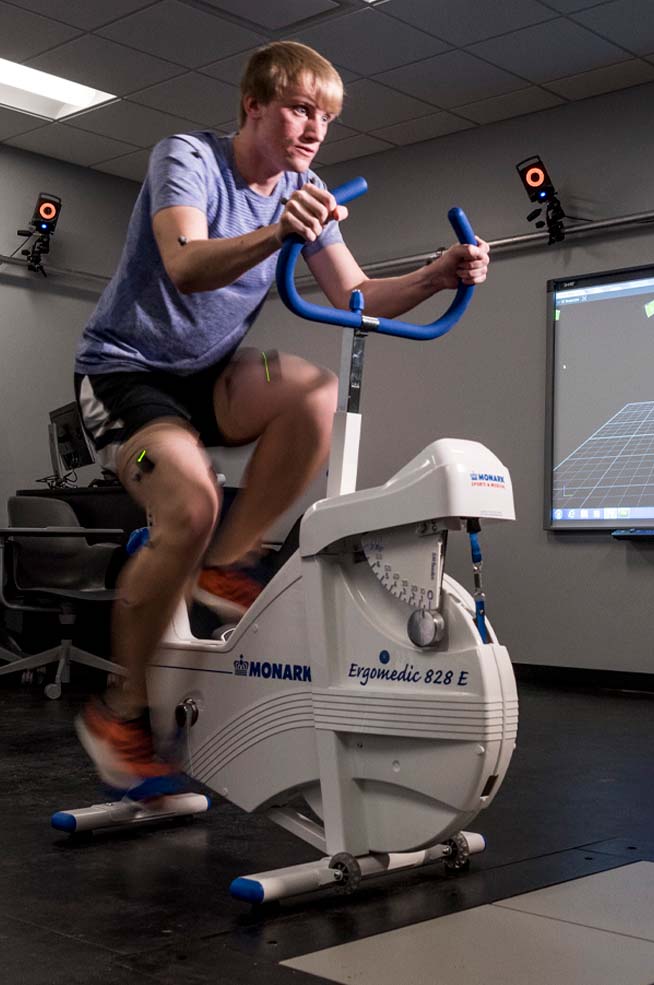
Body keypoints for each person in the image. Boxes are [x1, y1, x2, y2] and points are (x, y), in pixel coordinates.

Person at [72, 41, 490, 796]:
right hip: (126, 370)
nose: (315, 129)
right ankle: (120, 713)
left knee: (313, 392)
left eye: (325, 117)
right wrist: (278, 232)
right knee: (190, 504)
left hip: (207, 374)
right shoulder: (188, 158)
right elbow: (185, 264)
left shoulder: (306, 188)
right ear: (254, 106)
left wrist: (437, 274)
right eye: (300, 109)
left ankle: (224, 564)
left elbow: (354, 294)